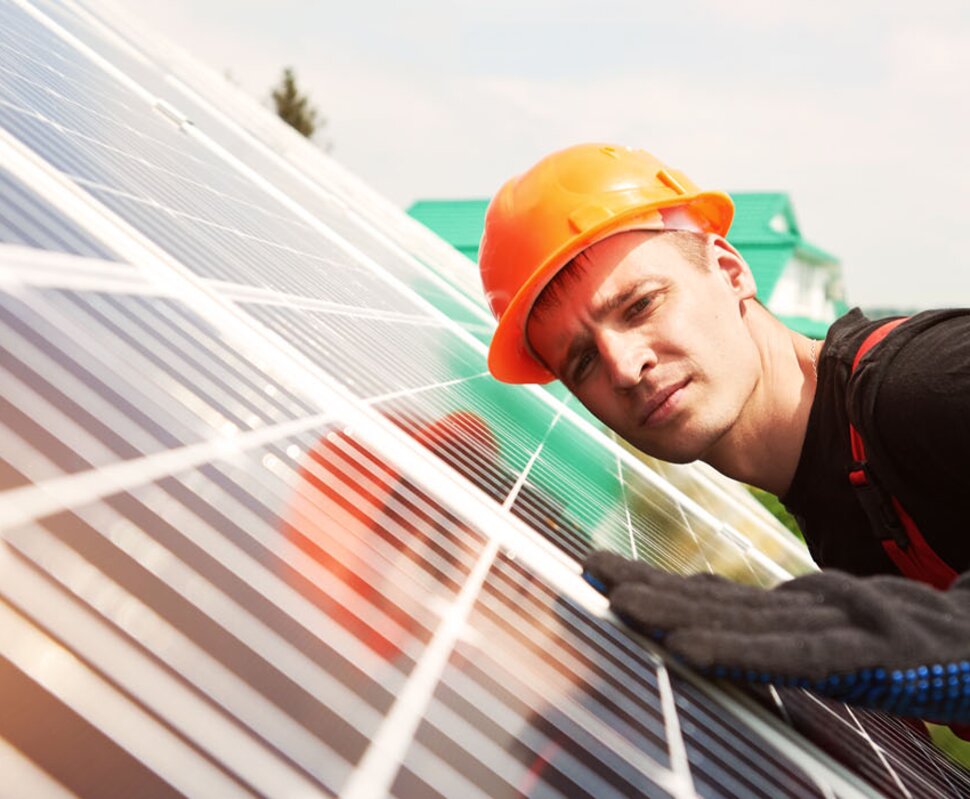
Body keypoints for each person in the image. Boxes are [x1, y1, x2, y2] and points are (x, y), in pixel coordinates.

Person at [476, 143, 970, 729]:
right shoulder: (826, 485)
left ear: (731, 271)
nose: (624, 367)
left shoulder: (925, 381)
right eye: (582, 361)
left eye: (640, 306)